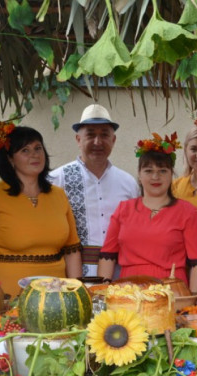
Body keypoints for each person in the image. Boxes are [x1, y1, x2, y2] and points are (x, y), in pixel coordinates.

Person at [0, 123, 82, 297]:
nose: (34, 155)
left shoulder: (58, 195)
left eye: (38, 148)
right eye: (25, 150)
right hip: (9, 298)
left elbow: (72, 252)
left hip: (57, 298)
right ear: (10, 158)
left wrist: (77, 293)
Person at [97, 133, 197, 295]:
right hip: (127, 292)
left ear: (171, 175)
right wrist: (102, 296)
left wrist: (193, 300)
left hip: (171, 293)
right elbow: (107, 256)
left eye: (162, 171)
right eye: (148, 171)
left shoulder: (188, 212)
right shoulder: (124, 209)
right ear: (140, 176)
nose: (155, 177)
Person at [50, 104, 139, 278]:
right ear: (78, 139)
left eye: (104, 135)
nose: (97, 142)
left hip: (118, 273)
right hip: (70, 273)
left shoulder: (128, 183)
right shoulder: (57, 179)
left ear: (113, 140)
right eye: (90, 135)